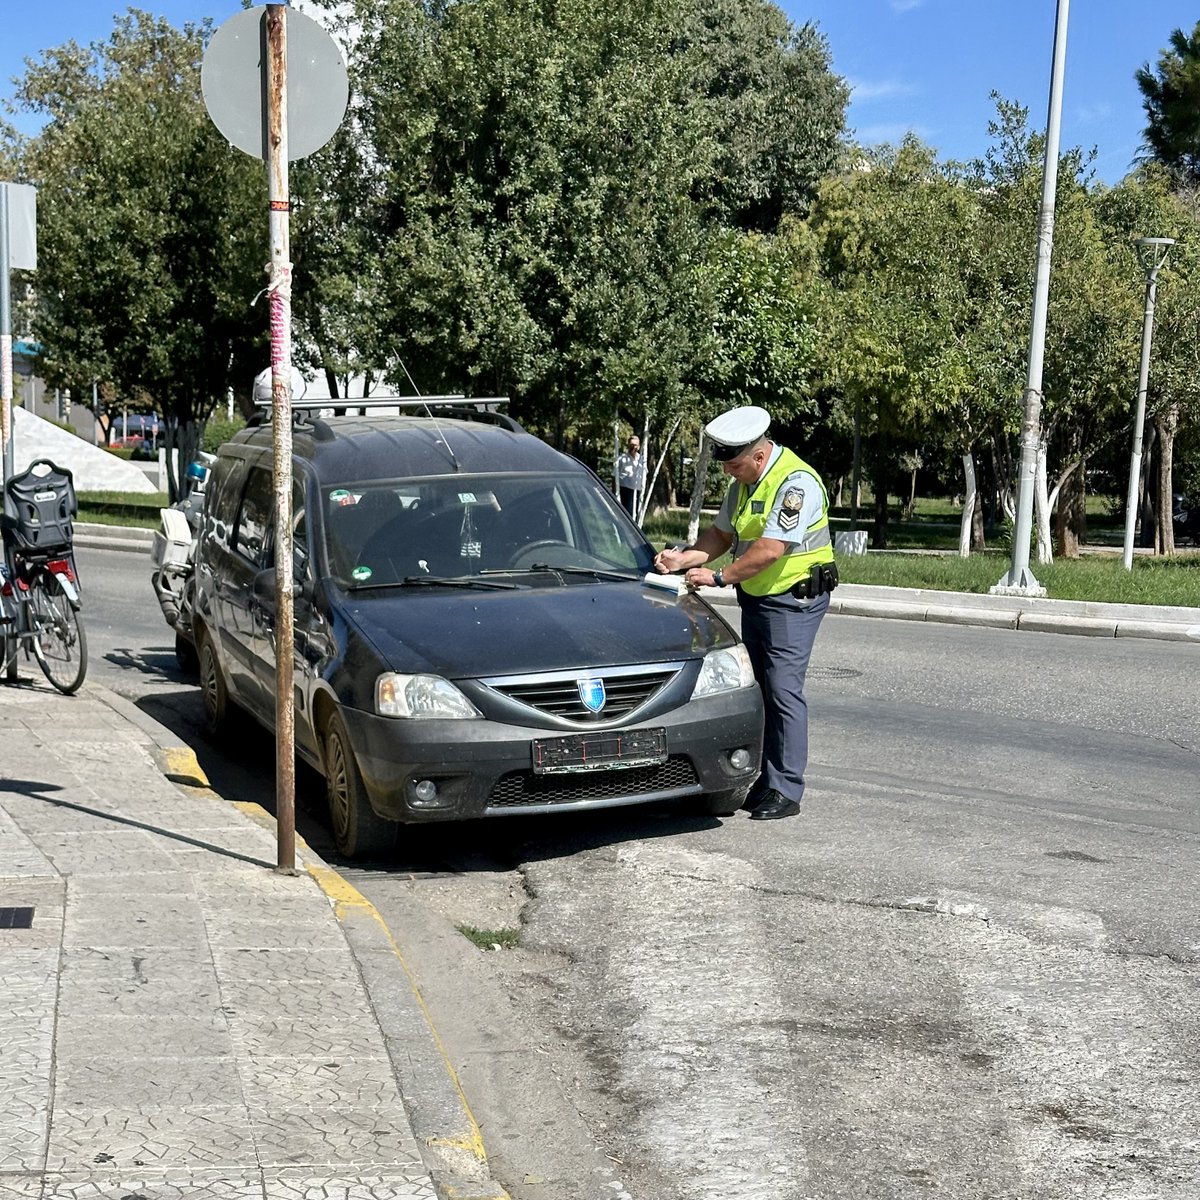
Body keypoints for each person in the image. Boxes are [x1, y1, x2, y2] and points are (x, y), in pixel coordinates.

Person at [653, 405, 837, 821]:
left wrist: (719, 578)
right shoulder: (745, 483)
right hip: (759, 596)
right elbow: (722, 534)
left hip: (795, 598)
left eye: (735, 464)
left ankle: (786, 789)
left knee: (783, 689)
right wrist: (682, 560)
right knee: (760, 687)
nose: (728, 473)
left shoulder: (796, 484)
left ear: (758, 455)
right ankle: (765, 780)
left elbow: (771, 549)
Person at [616, 435, 646, 517]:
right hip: (625, 492)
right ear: (628, 445)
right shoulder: (622, 459)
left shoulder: (642, 460)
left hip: (637, 492)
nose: (633, 447)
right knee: (626, 515)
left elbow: (644, 475)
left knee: (636, 515)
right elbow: (614, 477)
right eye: (631, 445)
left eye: (635, 445)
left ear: (639, 446)